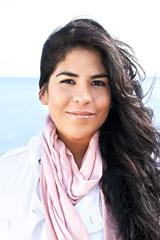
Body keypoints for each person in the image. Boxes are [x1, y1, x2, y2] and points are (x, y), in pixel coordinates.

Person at [0, 18, 160, 240]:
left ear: (112, 95)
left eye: (97, 83)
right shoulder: (8, 173)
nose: (83, 97)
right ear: (43, 92)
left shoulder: (145, 171)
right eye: (68, 81)